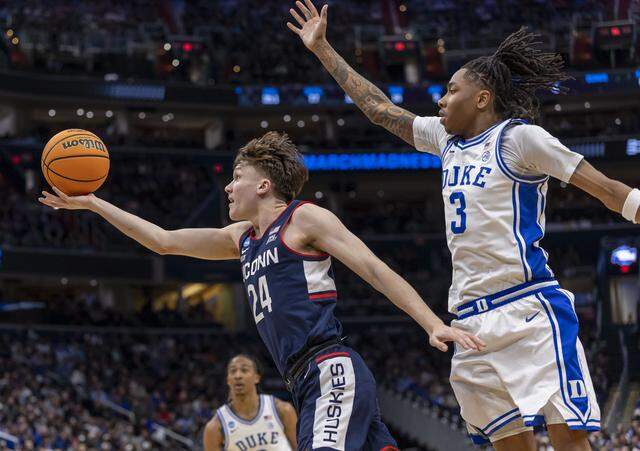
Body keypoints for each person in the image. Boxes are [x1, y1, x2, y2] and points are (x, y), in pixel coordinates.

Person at [287, 2, 640, 450]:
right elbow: (379, 110)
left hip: (526, 308)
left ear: (481, 98)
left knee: (569, 442)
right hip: (469, 323)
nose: (440, 99)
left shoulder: (520, 138)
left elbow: (607, 189)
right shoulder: (444, 140)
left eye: (451, 90)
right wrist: (322, 50)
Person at [39, 131, 483, 451]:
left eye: (236, 177)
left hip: (331, 369)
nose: (229, 186)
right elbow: (163, 240)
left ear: (264, 185)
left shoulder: (304, 219)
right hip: (302, 382)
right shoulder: (242, 238)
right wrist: (94, 203)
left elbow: (372, 268)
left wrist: (431, 323)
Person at [204, 354, 297, 451]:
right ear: (228, 380)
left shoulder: (283, 410)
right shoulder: (215, 427)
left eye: (244, 370)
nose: (238, 376)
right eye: (233, 371)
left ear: (257, 377)